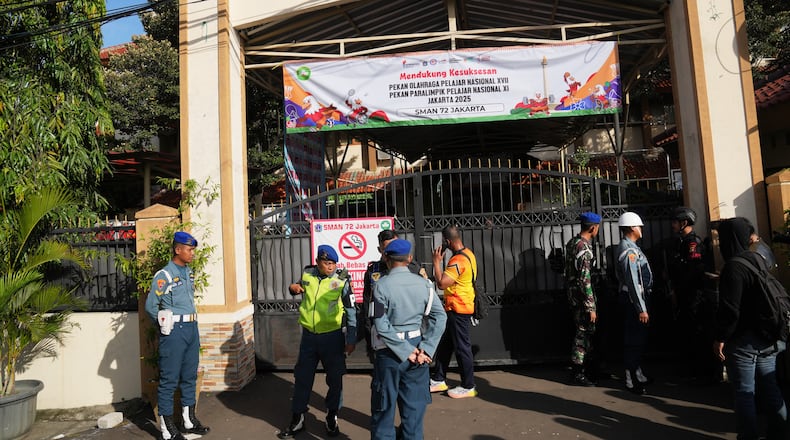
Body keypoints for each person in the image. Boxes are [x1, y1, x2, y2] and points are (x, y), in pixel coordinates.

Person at [713, 217, 787, 440]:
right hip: (768, 335)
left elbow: (730, 311)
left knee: (745, 392)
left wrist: (720, 338)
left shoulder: (733, 267)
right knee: (770, 389)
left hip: (745, 341)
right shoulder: (757, 258)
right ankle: (779, 433)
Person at [369, 239, 447, 439]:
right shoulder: (426, 285)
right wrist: (427, 349)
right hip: (418, 349)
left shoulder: (380, 286)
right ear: (410, 259)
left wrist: (404, 350)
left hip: (388, 352)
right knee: (413, 412)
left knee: (383, 410)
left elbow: (380, 324)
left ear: (386, 258)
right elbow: (440, 317)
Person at [277, 245, 357, 438]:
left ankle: (332, 416)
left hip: (332, 337)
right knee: (302, 378)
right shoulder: (307, 274)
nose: (330, 267)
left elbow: (352, 310)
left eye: (332, 264)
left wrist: (351, 338)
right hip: (309, 337)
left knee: (335, 379)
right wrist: (292, 288)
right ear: (318, 262)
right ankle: (298, 418)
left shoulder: (342, 280)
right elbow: (295, 287)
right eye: (326, 263)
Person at [144, 231, 210, 440]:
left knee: (189, 376)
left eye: (193, 250)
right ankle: (166, 428)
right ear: (178, 249)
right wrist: (164, 324)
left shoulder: (188, 272)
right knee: (169, 380)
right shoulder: (164, 275)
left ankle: (188, 420)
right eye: (189, 250)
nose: (192, 254)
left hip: (191, 329)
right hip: (174, 332)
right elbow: (151, 306)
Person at [665, 207, 715, 383]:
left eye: (675, 222)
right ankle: (691, 370)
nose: (672, 225)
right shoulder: (681, 241)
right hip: (685, 295)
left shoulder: (692, 243)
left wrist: (680, 290)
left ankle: (700, 373)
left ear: (684, 223)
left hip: (693, 296)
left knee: (695, 333)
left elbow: (694, 271)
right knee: (687, 332)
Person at [362, 229, 428, 362]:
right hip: (383, 337)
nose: (392, 251)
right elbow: (367, 305)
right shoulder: (373, 271)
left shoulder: (413, 269)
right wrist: (370, 333)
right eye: (387, 248)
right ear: (380, 250)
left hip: (411, 335)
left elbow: (426, 305)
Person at [429, 225, 478, 398]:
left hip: (459, 308)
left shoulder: (457, 261)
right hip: (456, 306)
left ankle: (468, 385)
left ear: (448, 241)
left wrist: (436, 262)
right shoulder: (469, 254)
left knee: (462, 347)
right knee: (446, 344)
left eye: (444, 241)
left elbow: (442, 283)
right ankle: (438, 379)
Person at [615, 212, 653, 395]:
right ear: (632, 228)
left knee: (638, 338)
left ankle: (637, 372)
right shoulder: (629, 250)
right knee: (634, 340)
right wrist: (641, 308)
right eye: (639, 226)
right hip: (633, 300)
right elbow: (632, 280)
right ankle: (631, 379)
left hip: (635, 298)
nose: (641, 229)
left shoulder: (631, 247)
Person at [564, 211, 601, 386]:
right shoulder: (584, 249)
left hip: (573, 296)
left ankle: (591, 369)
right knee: (582, 334)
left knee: (587, 333)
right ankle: (578, 373)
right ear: (593, 228)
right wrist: (590, 307)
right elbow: (584, 280)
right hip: (582, 300)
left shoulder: (573, 243)